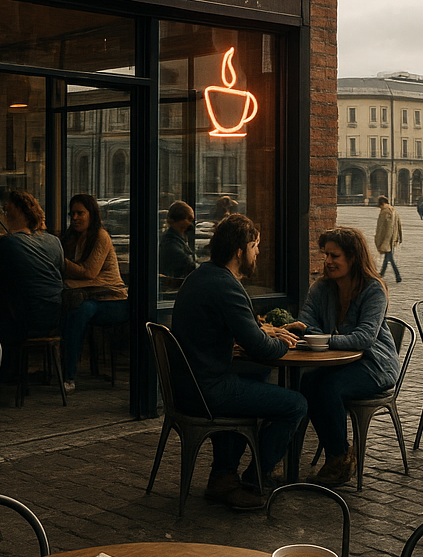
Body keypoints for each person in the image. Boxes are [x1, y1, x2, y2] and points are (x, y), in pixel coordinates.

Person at [171, 214, 307, 510]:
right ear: (240, 250)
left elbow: (242, 333)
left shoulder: (201, 275)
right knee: (295, 404)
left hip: (187, 385)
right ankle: (255, 481)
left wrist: (266, 334)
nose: (257, 253)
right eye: (255, 246)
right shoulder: (226, 285)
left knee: (257, 376)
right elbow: (260, 348)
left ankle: (223, 476)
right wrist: (281, 342)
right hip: (206, 391)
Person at [293, 227, 399, 486]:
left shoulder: (373, 289)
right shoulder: (321, 288)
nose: (328, 262)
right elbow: (303, 324)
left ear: (353, 258)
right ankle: (337, 452)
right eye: (326, 255)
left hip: (375, 364)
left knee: (330, 387)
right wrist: (320, 336)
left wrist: (323, 339)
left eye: (335, 256)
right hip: (337, 362)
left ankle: (338, 459)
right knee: (306, 384)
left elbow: (365, 339)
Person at [0, 190, 64, 375]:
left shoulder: (7, 243)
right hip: (53, 319)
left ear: (19, 210)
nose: (4, 214)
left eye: (7, 209)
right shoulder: (54, 241)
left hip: (22, 321)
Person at [60, 193, 129, 392]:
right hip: (87, 297)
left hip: (113, 300)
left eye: (80, 213)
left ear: (92, 215)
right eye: (72, 213)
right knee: (70, 310)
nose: (75, 218)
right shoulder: (72, 238)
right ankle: (61, 369)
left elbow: (89, 272)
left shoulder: (101, 236)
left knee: (81, 311)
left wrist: (58, 259)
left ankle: (69, 376)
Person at [159, 200, 197, 282]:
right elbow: (187, 263)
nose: (191, 224)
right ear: (178, 220)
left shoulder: (178, 239)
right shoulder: (171, 243)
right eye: (189, 219)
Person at [374, 196, 403, 283]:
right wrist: (399, 237)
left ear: (382, 204)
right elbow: (399, 225)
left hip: (387, 239)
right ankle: (382, 273)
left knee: (390, 258)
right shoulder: (393, 211)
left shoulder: (386, 213)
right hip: (392, 238)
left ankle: (397, 276)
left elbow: (384, 228)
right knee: (388, 257)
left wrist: (382, 240)